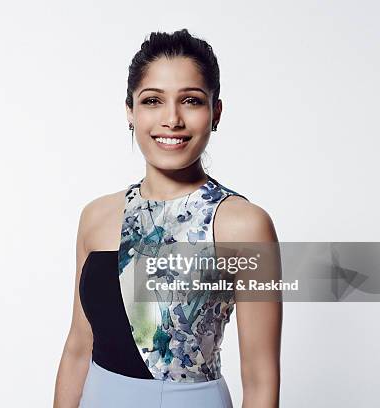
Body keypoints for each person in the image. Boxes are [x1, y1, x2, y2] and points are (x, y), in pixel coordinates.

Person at [53, 29, 281, 408]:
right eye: (153, 100)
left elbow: (261, 379)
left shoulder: (244, 224)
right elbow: (78, 347)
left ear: (215, 112)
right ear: (130, 111)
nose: (171, 119)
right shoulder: (96, 217)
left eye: (190, 100)